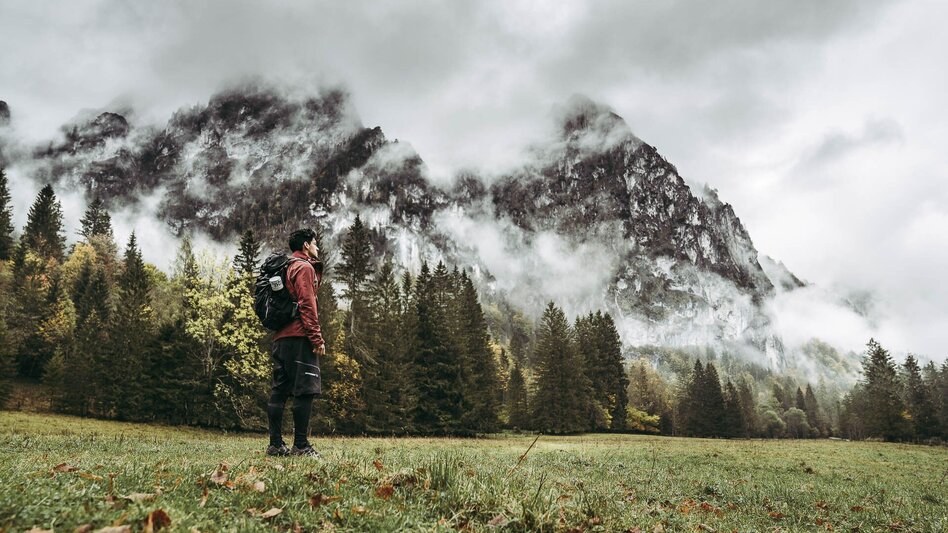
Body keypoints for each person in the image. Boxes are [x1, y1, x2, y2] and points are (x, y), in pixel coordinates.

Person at [266, 228, 327, 457]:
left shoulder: (284, 268)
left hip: (281, 338)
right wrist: (316, 337)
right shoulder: (304, 267)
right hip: (299, 337)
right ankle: (301, 445)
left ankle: (275, 444)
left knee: (279, 390)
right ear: (305, 246)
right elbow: (307, 304)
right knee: (305, 390)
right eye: (315, 243)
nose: (317, 248)